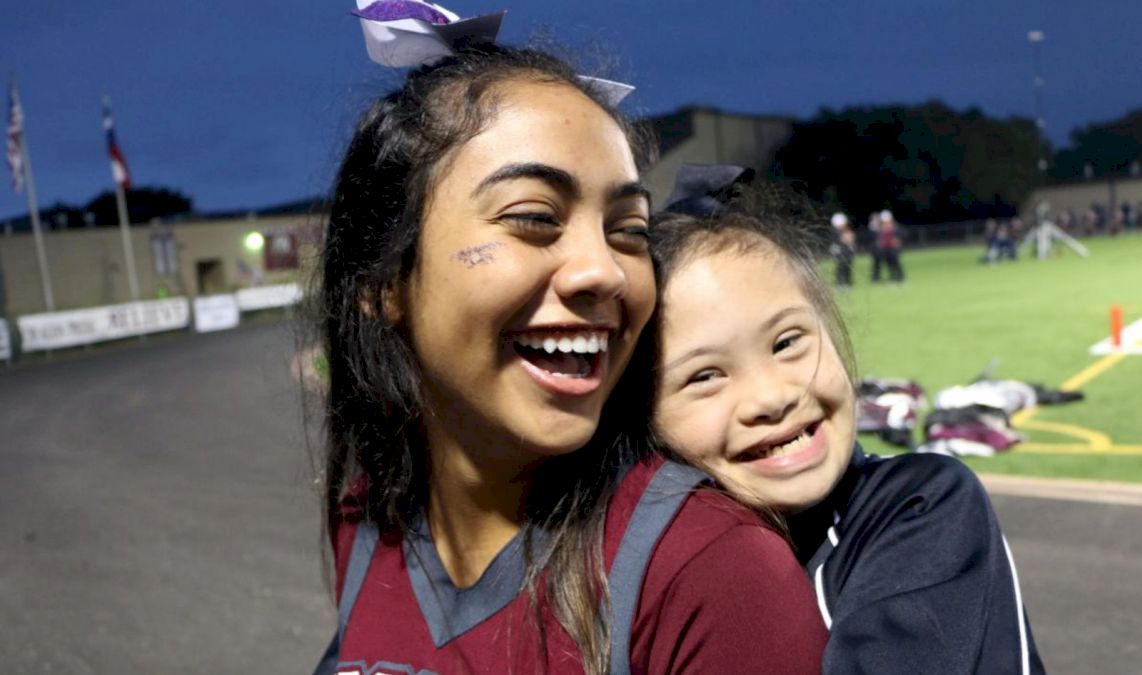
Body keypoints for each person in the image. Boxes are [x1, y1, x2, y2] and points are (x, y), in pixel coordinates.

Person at [309, 38, 826, 675]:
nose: (605, 272)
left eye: (629, 231)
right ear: (382, 282)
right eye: (534, 217)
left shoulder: (710, 573)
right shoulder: (365, 519)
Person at [647, 176, 1044, 674]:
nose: (772, 397)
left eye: (787, 342)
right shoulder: (651, 555)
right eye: (705, 375)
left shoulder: (922, 506)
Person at [871, 209, 905, 283]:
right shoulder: (879, 229)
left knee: (896, 263)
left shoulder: (895, 228)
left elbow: (902, 235)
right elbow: (875, 237)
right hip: (885, 249)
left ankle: (901, 278)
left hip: (893, 249)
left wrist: (898, 240)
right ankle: (892, 278)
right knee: (888, 264)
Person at [829, 211, 855, 288]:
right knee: (840, 267)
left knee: (848, 267)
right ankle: (840, 283)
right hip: (840, 252)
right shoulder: (835, 233)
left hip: (847, 251)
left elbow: (850, 239)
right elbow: (842, 241)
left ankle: (848, 282)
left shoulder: (846, 231)